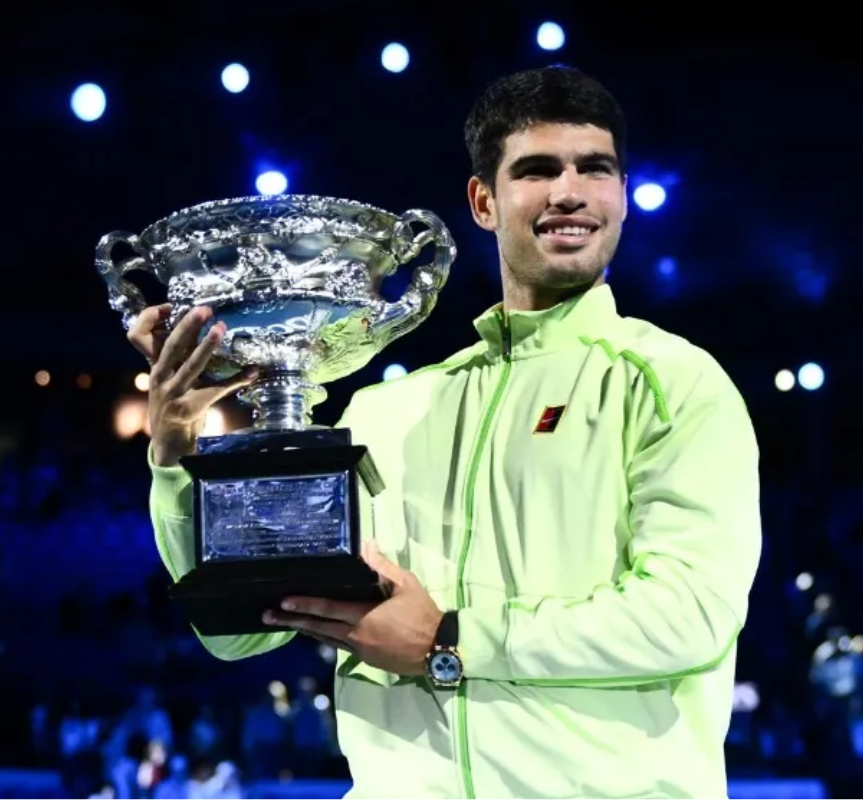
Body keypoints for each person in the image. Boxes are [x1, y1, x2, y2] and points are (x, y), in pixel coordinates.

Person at [128, 65, 762, 799]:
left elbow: (688, 616)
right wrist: (175, 459)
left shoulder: (673, 382)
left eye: (595, 168)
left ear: (620, 195)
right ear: (483, 201)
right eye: (537, 170)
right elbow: (241, 631)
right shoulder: (385, 413)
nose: (569, 192)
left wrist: (450, 638)